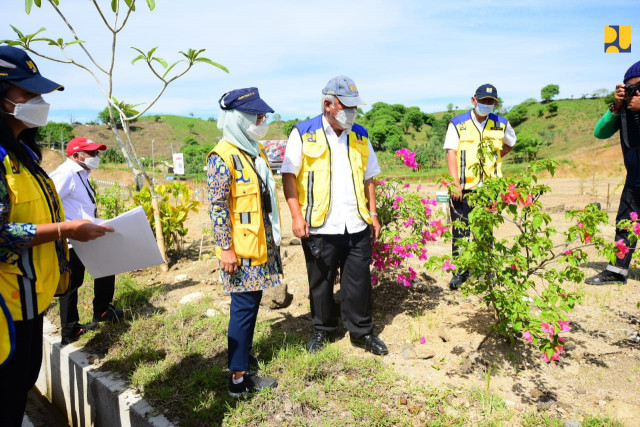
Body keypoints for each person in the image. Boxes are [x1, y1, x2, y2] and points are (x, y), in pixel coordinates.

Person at [0, 46, 112, 427]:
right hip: (5, 307)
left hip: (31, 300)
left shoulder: (24, 156)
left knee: (18, 388)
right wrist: (66, 229)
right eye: (28, 94)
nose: (39, 102)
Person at [281, 75, 387, 356]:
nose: (351, 112)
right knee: (321, 282)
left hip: (356, 222)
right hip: (319, 224)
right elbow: (289, 177)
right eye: (346, 106)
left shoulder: (361, 134)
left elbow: (370, 178)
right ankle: (323, 330)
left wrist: (373, 213)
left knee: (359, 280)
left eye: (354, 107)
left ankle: (361, 332)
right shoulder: (303, 133)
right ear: (328, 104)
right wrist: (295, 216)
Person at [207, 87, 281, 397]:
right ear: (238, 118)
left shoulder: (252, 150)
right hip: (240, 251)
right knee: (243, 309)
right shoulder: (222, 157)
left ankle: (244, 361)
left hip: (258, 246)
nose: (262, 121)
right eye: (257, 116)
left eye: (263, 116)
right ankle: (238, 381)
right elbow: (217, 207)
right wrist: (225, 249)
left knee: (250, 306)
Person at [50, 137, 124, 346]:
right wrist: (64, 228)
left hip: (87, 235)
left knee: (106, 266)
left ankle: (102, 310)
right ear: (76, 155)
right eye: (91, 153)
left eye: (97, 153)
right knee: (73, 283)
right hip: (72, 239)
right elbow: (48, 203)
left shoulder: (81, 174)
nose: (96, 157)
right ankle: (69, 330)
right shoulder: (65, 174)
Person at [444, 84, 517, 290]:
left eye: (491, 102)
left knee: (485, 231)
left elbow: (511, 143)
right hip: (463, 188)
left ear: (496, 103)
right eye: (483, 101)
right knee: (461, 231)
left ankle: (487, 270)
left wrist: (496, 157)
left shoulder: (501, 123)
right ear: (474, 100)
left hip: (489, 189)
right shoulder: (458, 123)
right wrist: (455, 183)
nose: (487, 105)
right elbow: (451, 153)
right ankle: (461, 272)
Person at [586, 61, 640, 285]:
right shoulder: (624, 109)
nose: (633, 91)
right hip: (634, 178)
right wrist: (616, 106)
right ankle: (617, 272)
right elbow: (600, 132)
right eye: (629, 87)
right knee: (625, 224)